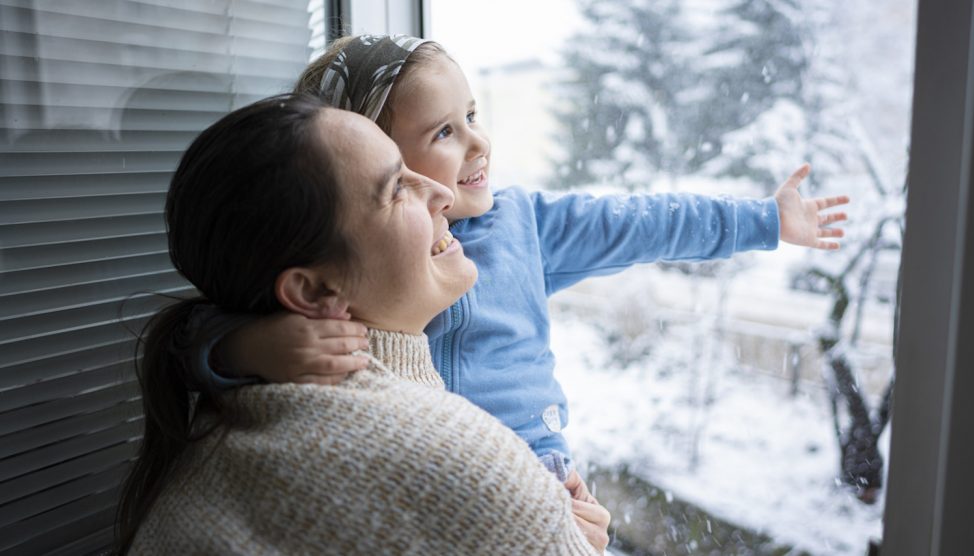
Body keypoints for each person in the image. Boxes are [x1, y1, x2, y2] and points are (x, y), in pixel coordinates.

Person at [213, 35, 849, 487]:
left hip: (536, 470)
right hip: (424, 472)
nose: (478, 141)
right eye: (444, 132)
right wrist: (243, 348)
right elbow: (191, 335)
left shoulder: (523, 225)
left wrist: (763, 221)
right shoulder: (343, 269)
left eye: (470, 116)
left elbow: (642, 223)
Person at [115, 95, 608, 554]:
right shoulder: (454, 459)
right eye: (397, 187)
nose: (441, 192)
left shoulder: (242, 402)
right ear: (312, 292)